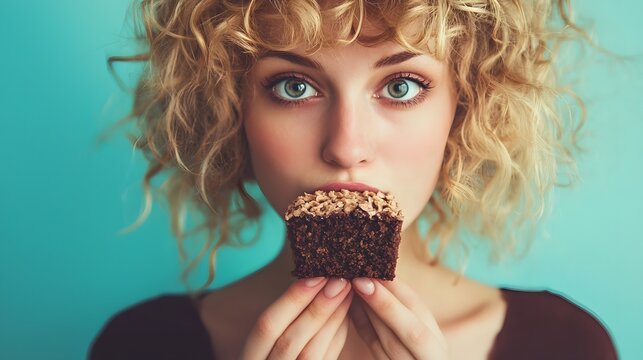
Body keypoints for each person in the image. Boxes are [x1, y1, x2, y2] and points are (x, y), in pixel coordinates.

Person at [90, 0, 618, 359]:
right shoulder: (142, 344)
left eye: (402, 86)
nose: (345, 147)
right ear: (231, 110)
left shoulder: (564, 345)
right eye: (294, 87)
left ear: (463, 109)